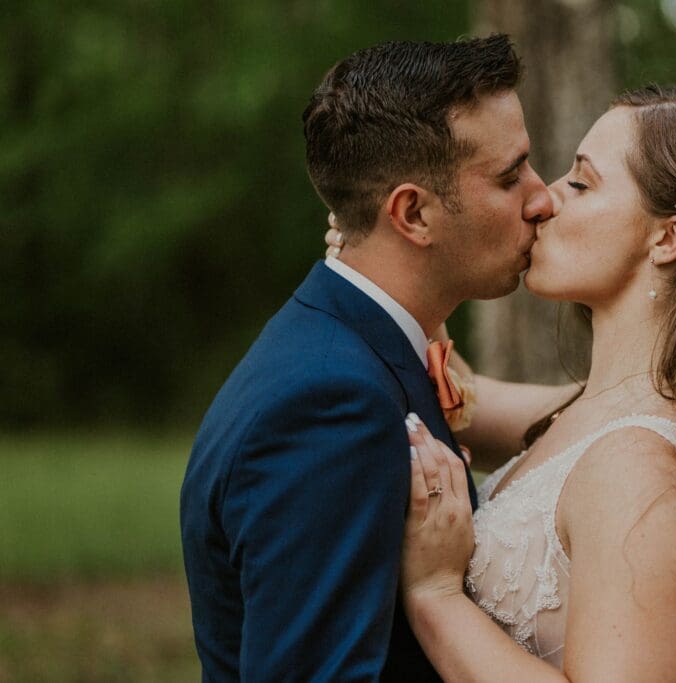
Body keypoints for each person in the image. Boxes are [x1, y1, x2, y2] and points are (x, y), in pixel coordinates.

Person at [329, 84, 676, 681]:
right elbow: (460, 397)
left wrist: (436, 596)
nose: (542, 199)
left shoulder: (642, 474)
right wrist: (400, 254)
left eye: (580, 183)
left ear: (667, 238)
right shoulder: (592, 413)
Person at [179, 35, 559, 681]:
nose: (542, 198)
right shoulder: (329, 406)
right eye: (508, 176)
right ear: (413, 213)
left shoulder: (359, 351)